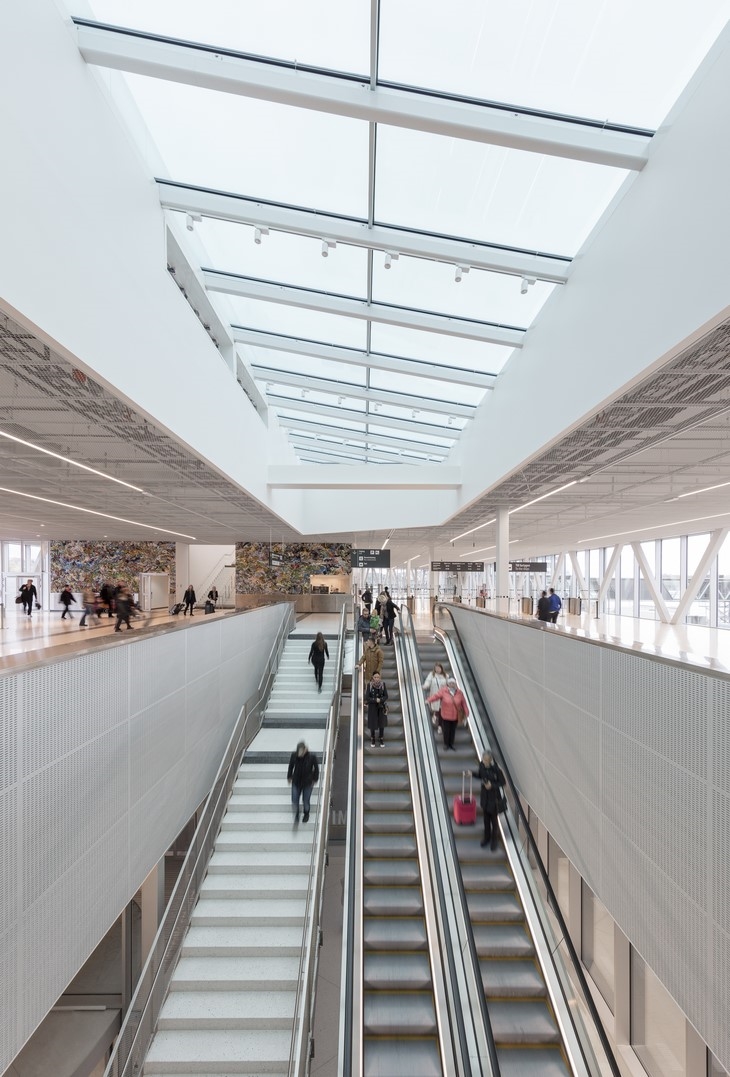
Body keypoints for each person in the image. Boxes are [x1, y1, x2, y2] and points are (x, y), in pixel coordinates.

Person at [473, 750, 506, 850]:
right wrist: (472, 774)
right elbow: (480, 775)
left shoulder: (496, 770)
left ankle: (494, 841)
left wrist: (492, 785)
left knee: (494, 822)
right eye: (484, 760)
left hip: (494, 798)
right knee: (485, 820)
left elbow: (502, 783)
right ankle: (486, 838)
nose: (485, 762)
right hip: (485, 797)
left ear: (491, 760)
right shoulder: (482, 766)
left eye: (487, 760)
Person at [426, 676, 469, 751]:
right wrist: (428, 700)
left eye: (453, 683)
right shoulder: (443, 691)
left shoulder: (459, 693)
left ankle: (451, 744)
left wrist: (466, 712)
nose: (452, 684)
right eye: (450, 683)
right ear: (448, 684)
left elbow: (463, 703)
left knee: (453, 731)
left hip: (455, 716)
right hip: (445, 715)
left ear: (455, 684)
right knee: (446, 731)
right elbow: (436, 696)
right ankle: (446, 744)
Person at [287, 740, 319, 823]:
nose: (300, 754)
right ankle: (296, 813)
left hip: (307, 782)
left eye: (301, 752)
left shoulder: (312, 757)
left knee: (306, 800)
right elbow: (291, 767)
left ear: (305, 750)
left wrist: (315, 779)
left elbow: (316, 768)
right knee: (294, 799)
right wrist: (289, 776)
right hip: (296, 781)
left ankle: (306, 813)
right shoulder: (294, 756)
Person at [365, 671, 388, 748]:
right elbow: (367, 697)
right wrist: (375, 700)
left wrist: (380, 700)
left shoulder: (383, 685)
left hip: (381, 707)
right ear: (372, 678)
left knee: (382, 723)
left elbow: (386, 696)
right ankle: (373, 738)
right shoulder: (370, 685)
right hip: (372, 707)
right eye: (375, 677)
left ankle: (381, 738)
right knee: (372, 723)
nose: (377, 679)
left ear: (380, 677)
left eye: (378, 677)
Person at [423, 661, 448, 731]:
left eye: (438, 668)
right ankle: (435, 715)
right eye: (436, 668)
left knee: (441, 709)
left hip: (443, 696)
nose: (437, 670)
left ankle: (439, 726)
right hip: (435, 694)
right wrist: (425, 686)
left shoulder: (446, 676)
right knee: (437, 708)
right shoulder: (432, 675)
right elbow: (428, 681)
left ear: (441, 668)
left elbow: (449, 684)